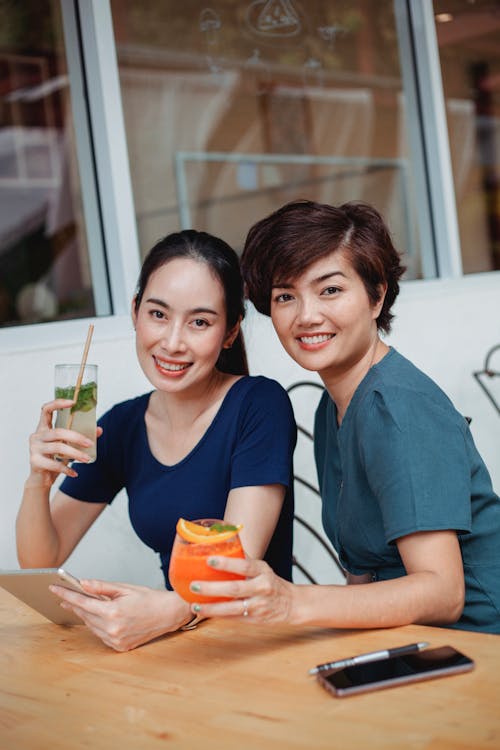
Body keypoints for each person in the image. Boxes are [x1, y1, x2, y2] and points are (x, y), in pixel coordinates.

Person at [186, 200, 500, 634]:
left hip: (479, 648)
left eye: (330, 289)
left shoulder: (397, 407)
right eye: (285, 297)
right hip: (408, 642)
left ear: (376, 296)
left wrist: (292, 601)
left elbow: (443, 594)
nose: (307, 315)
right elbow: (365, 573)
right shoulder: (330, 406)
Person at [16, 229, 296, 650]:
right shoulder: (122, 426)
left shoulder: (259, 405)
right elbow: (40, 562)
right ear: (135, 311)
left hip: (254, 644)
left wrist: (168, 610)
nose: (172, 342)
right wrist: (38, 481)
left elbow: (238, 566)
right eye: (158, 314)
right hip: (176, 647)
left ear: (231, 331)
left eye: (199, 322)